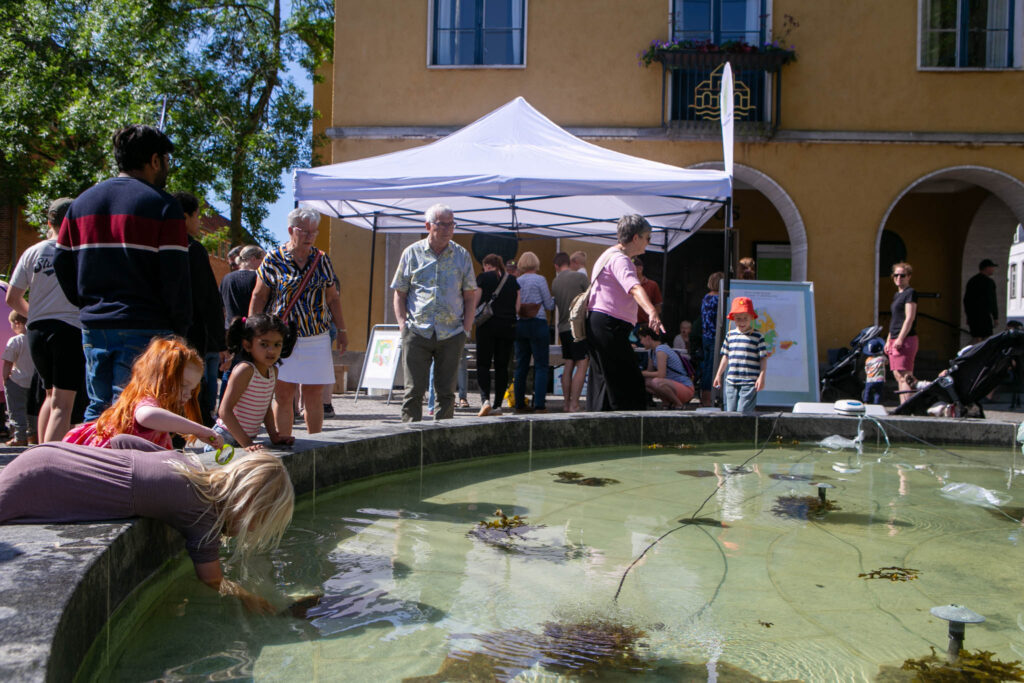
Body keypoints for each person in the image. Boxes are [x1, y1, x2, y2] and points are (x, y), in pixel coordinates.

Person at [0, 436, 293, 614]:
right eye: (258, 523)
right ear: (247, 506)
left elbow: (123, 442)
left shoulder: (186, 463)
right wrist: (248, 597)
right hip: (42, 483)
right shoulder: (202, 515)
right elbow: (211, 580)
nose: (253, 530)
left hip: (49, 455)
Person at [53, 124, 191, 421]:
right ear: (155, 160)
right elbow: (175, 278)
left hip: (95, 323)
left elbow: (61, 263)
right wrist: (179, 329)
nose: (168, 166)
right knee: (135, 409)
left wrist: (87, 303)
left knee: (99, 407)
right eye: (167, 159)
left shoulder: (81, 204)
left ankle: (91, 465)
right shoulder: (164, 206)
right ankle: (122, 467)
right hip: (145, 323)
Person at [250, 207, 348, 438]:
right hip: (282, 338)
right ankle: (284, 441)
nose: (310, 237)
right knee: (284, 395)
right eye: (305, 231)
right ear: (290, 230)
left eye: (314, 232)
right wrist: (253, 331)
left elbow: (333, 297)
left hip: (316, 336)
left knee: (314, 396)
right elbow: (259, 296)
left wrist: (342, 330)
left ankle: (315, 444)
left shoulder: (322, 259)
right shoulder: (274, 258)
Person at [6, 197, 85, 442]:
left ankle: (40, 453)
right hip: (68, 330)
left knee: (50, 396)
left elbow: (12, 297)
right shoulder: (77, 253)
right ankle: (50, 464)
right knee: (64, 403)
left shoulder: (33, 251)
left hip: (37, 331)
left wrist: (37, 314)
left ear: (49, 221)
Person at [391, 204, 477, 422]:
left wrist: (465, 329)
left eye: (452, 224)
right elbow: (400, 293)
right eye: (442, 224)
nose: (448, 229)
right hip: (417, 331)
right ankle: (410, 441)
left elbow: (469, 296)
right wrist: (403, 326)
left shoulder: (461, 255)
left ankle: (441, 446)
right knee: (413, 392)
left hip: (451, 333)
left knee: (446, 393)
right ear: (428, 226)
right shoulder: (412, 253)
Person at [63, 337, 224, 450]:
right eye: (183, 386)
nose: (188, 394)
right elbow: (147, 416)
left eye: (192, 389)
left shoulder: (159, 417)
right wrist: (200, 430)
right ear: (159, 378)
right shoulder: (146, 401)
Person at [585, 214, 664, 411]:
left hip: (599, 323)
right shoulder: (621, 260)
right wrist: (652, 311)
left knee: (605, 381)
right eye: (648, 237)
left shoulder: (607, 255)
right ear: (636, 238)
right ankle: (629, 430)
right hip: (609, 325)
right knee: (629, 382)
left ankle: (599, 429)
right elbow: (634, 288)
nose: (649, 243)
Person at [173, 191, 228, 427]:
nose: (199, 222)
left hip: (161, 330)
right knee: (191, 388)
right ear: (185, 217)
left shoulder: (155, 243)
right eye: (197, 217)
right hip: (191, 332)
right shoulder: (192, 249)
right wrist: (219, 342)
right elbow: (208, 298)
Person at [215, 314, 295, 449]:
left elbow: (266, 408)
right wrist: (247, 444)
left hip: (245, 439)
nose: (271, 350)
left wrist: (274, 436)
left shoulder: (273, 371)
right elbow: (225, 411)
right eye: (264, 344)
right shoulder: (245, 370)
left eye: (277, 344)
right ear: (247, 345)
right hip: (224, 438)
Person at [474, 254, 519, 417]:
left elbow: (475, 301)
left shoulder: (483, 278)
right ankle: (498, 405)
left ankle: (485, 400)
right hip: (508, 327)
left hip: (486, 326)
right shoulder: (513, 281)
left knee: (483, 364)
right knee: (502, 366)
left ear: (487, 265)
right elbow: (518, 307)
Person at [513, 251, 555, 413]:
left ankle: (519, 403)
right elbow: (548, 304)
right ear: (536, 263)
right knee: (541, 365)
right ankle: (539, 404)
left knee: (521, 365)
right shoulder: (540, 280)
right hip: (538, 324)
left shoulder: (518, 280)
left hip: (520, 324)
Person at [713, 297, 767, 414]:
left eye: (745, 318)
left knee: (743, 412)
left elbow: (763, 358)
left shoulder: (758, 336)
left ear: (751, 318)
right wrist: (718, 375)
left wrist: (761, 376)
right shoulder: (730, 335)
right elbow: (725, 357)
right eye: (738, 319)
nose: (742, 322)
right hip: (731, 381)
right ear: (733, 319)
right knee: (730, 412)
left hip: (749, 381)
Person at [551, 251, 589, 412]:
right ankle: (575, 404)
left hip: (563, 327)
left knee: (568, 362)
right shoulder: (580, 278)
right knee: (582, 363)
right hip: (578, 326)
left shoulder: (555, 281)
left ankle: (566, 403)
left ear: (556, 266)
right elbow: (592, 298)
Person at [637, 325, 694, 409]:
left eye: (641, 338)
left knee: (656, 382)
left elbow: (661, 374)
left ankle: (679, 404)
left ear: (648, 338)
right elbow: (649, 373)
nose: (641, 342)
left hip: (685, 387)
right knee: (646, 382)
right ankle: (667, 403)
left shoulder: (661, 350)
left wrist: (641, 372)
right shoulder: (652, 352)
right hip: (672, 386)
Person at [886, 262, 919, 404]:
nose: (899, 278)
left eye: (902, 275)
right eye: (896, 275)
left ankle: (908, 406)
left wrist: (900, 339)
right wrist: (889, 340)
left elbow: (909, 318)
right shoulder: (897, 295)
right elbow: (895, 320)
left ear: (909, 277)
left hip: (905, 339)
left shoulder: (910, 293)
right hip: (894, 338)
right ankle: (903, 406)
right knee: (898, 375)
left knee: (906, 375)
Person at [3, 312, 36, 446]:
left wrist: (5, 378)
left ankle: (19, 436)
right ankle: (33, 435)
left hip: (17, 380)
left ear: (17, 323)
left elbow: (8, 362)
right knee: (33, 411)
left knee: (16, 410)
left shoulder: (15, 341)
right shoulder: (34, 339)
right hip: (33, 381)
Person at [220, 245, 265, 324]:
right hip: (250, 328)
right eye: (262, 259)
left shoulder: (226, 279)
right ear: (253, 259)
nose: (264, 263)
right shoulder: (259, 278)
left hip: (230, 329)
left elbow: (221, 306)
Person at [699, 272, 724, 407]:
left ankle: (705, 398)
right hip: (715, 337)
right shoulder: (718, 299)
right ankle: (708, 398)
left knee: (707, 366)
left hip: (706, 336)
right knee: (712, 368)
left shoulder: (706, 297)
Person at [964, 258, 998, 343]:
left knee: (977, 337)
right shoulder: (989, 282)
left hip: (974, 315)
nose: (993, 269)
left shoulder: (972, 281)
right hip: (984, 315)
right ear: (987, 268)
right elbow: (992, 300)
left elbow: (967, 300)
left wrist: (968, 315)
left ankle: (973, 354)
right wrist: (995, 317)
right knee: (986, 339)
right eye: (992, 267)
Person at [633, 257, 663, 328]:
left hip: (644, 325)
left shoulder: (652, 285)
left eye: (631, 267)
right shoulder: (626, 283)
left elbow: (658, 306)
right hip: (627, 322)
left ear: (640, 269)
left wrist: (651, 320)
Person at [862, 337, 886, 405]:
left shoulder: (868, 360)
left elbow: (866, 369)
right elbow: (887, 362)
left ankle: (866, 402)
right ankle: (876, 404)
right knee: (878, 392)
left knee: (867, 391)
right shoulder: (882, 358)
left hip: (870, 379)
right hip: (879, 379)